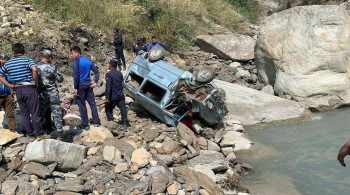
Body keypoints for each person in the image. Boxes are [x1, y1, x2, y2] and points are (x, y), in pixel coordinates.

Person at [0, 43, 48, 140]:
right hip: (29, 88)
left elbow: (0, 75)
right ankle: (39, 133)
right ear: (23, 51)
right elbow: (34, 69)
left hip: (18, 89)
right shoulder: (27, 59)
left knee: (24, 112)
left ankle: (30, 135)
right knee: (34, 111)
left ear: (13, 52)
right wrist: (35, 82)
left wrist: (10, 85)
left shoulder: (8, 63)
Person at [70, 46, 100, 130]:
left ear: (77, 52)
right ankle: (96, 121)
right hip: (89, 84)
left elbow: (76, 76)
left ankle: (85, 124)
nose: (71, 55)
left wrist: (75, 87)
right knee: (92, 104)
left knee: (82, 105)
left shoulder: (76, 62)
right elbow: (96, 71)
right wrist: (95, 82)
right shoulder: (87, 60)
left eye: (72, 53)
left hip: (80, 85)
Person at [37, 49, 64, 137]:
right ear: (49, 58)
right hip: (52, 93)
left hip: (41, 93)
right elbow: (60, 79)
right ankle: (59, 131)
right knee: (56, 111)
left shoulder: (35, 67)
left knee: (41, 112)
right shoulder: (52, 67)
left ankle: (42, 130)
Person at [105, 59, 129, 129]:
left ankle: (110, 121)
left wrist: (107, 97)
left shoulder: (109, 74)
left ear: (111, 65)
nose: (108, 65)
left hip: (113, 96)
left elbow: (108, 86)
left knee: (108, 108)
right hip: (120, 94)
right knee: (123, 108)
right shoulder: (120, 73)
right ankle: (125, 121)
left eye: (109, 64)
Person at [0, 54, 15, 132]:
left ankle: (12, 130)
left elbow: (11, 79)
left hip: (7, 94)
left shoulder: (7, 68)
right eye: (6, 60)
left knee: (10, 113)